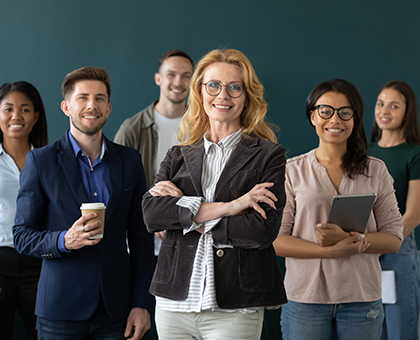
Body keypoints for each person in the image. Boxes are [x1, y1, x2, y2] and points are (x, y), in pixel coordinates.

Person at [142, 48, 287, 340]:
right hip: (174, 303)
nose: (223, 96)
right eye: (214, 85)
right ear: (200, 92)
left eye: (235, 87)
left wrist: (183, 213)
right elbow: (152, 215)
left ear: (247, 97)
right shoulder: (178, 155)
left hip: (235, 305)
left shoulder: (269, 155)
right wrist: (232, 206)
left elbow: (261, 230)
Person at [13, 67, 155, 340]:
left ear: (109, 108)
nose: (92, 105)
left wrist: (142, 304)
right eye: (83, 98)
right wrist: (64, 240)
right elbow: (22, 236)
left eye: (100, 98)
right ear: (66, 106)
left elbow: (142, 240)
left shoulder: (130, 161)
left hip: (118, 311)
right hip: (59, 309)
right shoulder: (40, 161)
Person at [273, 79, 403, 340]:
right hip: (304, 301)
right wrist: (330, 250)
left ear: (355, 119)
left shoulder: (375, 170)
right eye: (326, 111)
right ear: (313, 116)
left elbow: (394, 238)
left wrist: (354, 240)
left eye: (345, 112)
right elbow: (276, 241)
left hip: (362, 299)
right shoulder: (292, 171)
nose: (335, 120)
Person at [114, 49, 194, 257]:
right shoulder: (132, 129)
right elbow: (116, 189)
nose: (179, 81)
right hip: (143, 248)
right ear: (158, 78)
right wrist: (155, 218)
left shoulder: (203, 128)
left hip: (192, 245)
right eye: (171, 74)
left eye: (186, 76)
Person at [368, 80, 420, 340]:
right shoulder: (364, 153)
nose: (384, 111)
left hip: (396, 250)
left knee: (400, 330)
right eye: (380, 104)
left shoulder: (415, 153)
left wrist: (381, 245)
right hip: (363, 251)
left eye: (394, 106)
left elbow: (413, 215)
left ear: (407, 112)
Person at [0, 81, 48, 340]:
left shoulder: (49, 160)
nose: (16, 116)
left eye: (25, 109)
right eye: (8, 109)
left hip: (39, 262)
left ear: (36, 117)